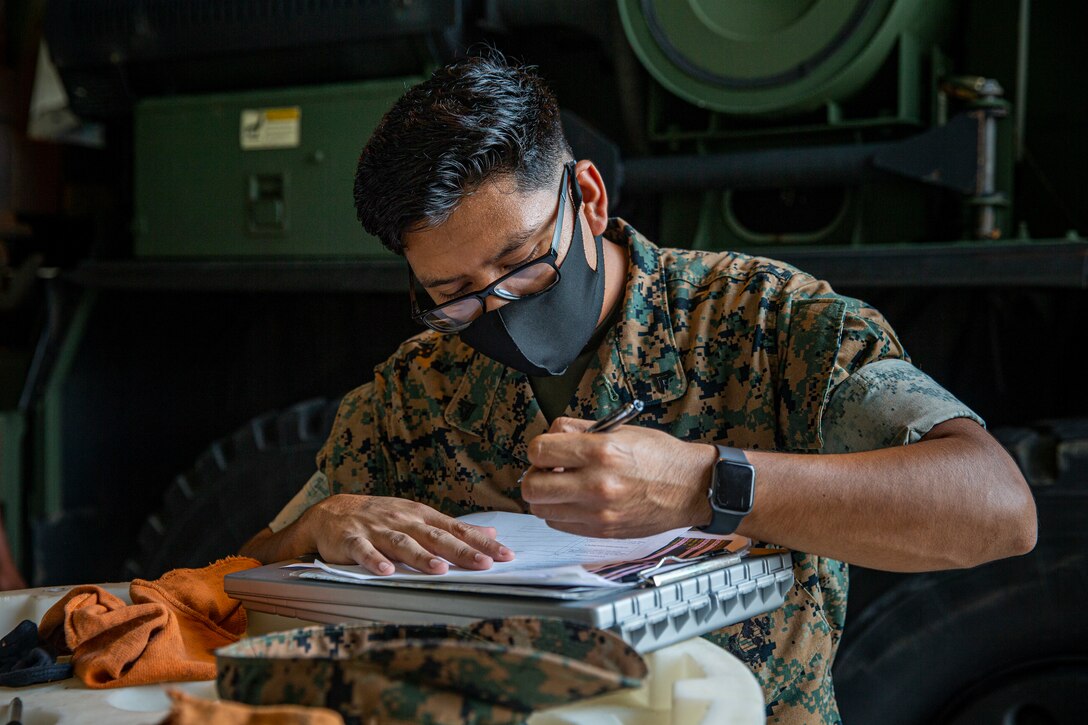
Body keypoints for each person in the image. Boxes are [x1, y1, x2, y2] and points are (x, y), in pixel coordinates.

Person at [240, 53, 1036, 723]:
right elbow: (239, 589)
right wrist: (319, 524)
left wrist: (705, 482)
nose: (498, 308)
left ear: (588, 196)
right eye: (456, 294)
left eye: (524, 264)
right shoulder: (417, 390)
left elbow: (996, 508)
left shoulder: (765, 321)